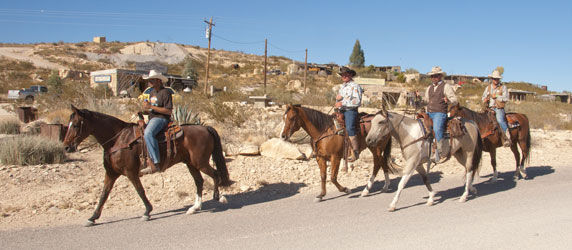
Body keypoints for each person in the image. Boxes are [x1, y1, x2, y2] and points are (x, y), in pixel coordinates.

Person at [141, 70, 173, 175]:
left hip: (161, 118)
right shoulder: (151, 92)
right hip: (152, 117)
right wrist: (146, 110)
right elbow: (153, 109)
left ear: (159, 81)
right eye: (149, 80)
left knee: (148, 133)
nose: (149, 82)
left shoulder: (165, 93)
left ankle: (155, 163)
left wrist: (151, 107)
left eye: (152, 80)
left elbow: (168, 110)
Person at [424, 66, 458, 163]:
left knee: (437, 128)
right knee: (420, 126)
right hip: (429, 112)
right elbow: (426, 100)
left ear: (440, 76)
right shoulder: (429, 88)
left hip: (439, 112)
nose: (434, 78)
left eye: (436, 76)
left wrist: (448, 100)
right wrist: (419, 99)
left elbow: (455, 100)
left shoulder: (446, 86)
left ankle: (439, 151)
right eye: (432, 76)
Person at [335, 66, 363, 161]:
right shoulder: (342, 87)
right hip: (341, 110)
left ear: (350, 75)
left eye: (346, 74)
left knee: (349, 127)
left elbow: (357, 101)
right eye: (342, 75)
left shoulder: (355, 86)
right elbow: (339, 99)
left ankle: (355, 151)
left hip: (351, 110)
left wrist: (342, 103)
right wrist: (337, 100)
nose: (344, 76)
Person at [482, 70, 511, 147]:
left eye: (497, 79)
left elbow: (506, 98)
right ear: (492, 79)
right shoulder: (487, 88)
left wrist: (497, 96)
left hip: (498, 108)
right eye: (494, 78)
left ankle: (507, 137)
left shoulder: (503, 87)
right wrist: (485, 100)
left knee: (500, 121)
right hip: (489, 108)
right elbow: (483, 98)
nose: (496, 80)